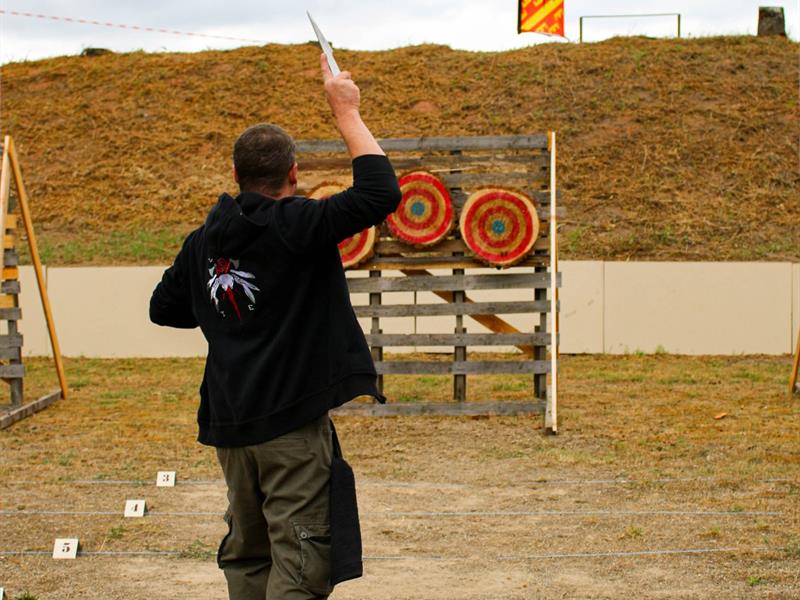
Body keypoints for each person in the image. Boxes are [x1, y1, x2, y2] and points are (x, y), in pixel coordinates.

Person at [149, 53, 401, 599]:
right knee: (300, 559)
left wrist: (232, 309)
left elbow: (164, 308)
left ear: (236, 176)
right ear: (294, 175)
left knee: (248, 555)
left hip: (232, 428)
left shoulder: (203, 241)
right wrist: (346, 113)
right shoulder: (298, 223)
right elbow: (381, 193)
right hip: (288, 427)